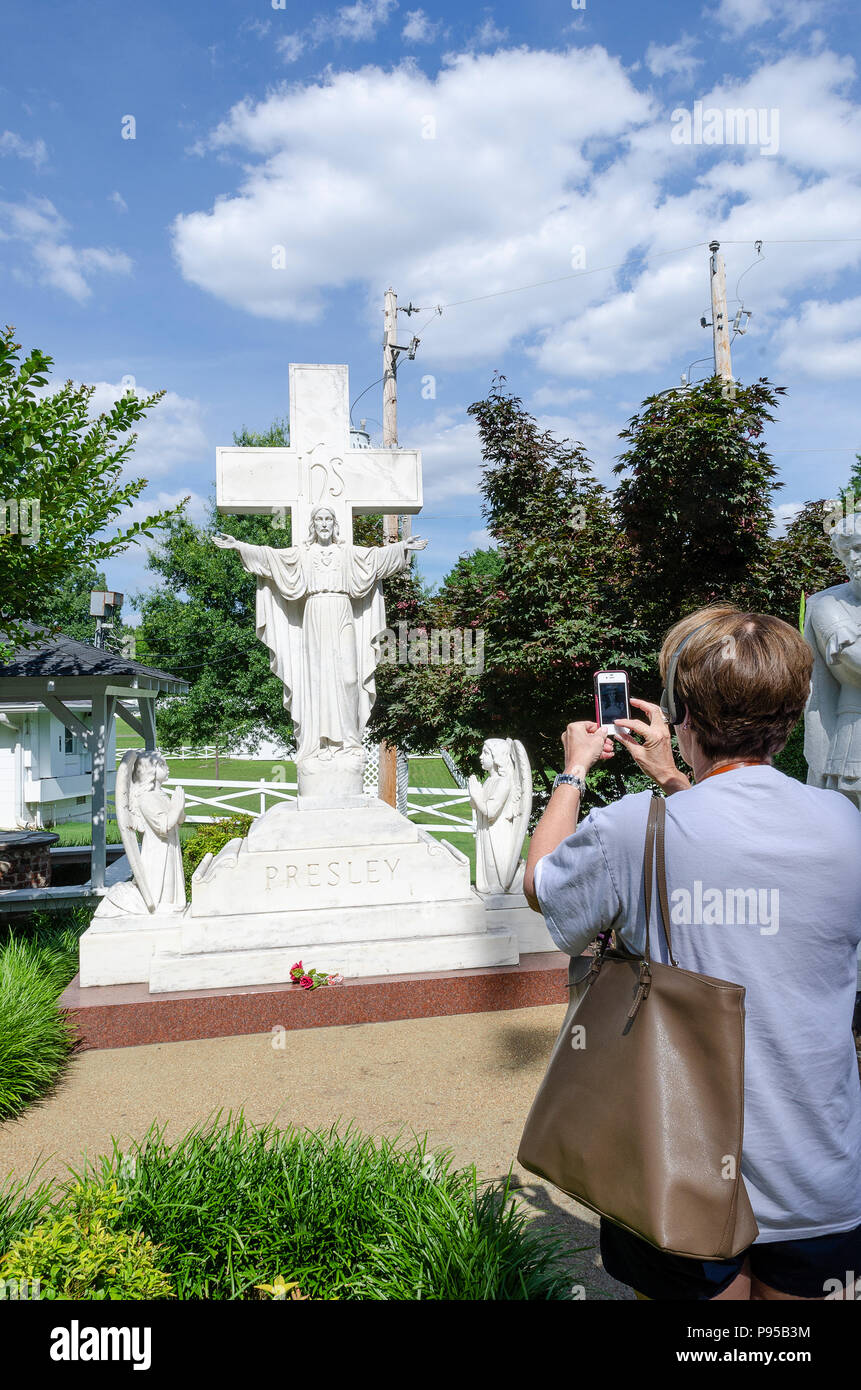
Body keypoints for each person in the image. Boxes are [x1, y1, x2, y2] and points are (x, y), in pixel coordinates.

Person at [524, 604, 861, 1301]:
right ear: (793, 714)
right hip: (818, 1166)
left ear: (682, 717)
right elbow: (742, 856)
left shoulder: (628, 831)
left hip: (678, 1163)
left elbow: (542, 886)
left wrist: (572, 771)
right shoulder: (841, 823)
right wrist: (675, 778)